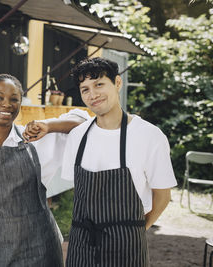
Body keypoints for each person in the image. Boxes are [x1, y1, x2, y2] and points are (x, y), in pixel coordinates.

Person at [0, 74, 87, 267]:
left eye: (14, 99)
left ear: (20, 104)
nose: (6, 104)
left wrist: (48, 125)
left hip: (40, 252)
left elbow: (84, 123)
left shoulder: (36, 139)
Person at [60, 57, 177, 266]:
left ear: (117, 83)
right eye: (85, 89)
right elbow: (78, 191)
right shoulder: (78, 136)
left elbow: (162, 195)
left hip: (126, 247)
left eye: (99, 84)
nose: (92, 94)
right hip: (82, 244)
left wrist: (134, 230)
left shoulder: (149, 135)